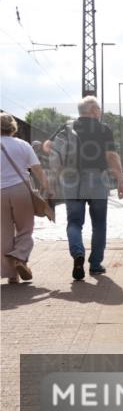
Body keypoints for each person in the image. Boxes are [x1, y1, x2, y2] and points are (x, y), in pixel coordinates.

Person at [44, 96, 123, 280]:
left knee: (74, 222)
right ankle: (95, 265)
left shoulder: (67, 127)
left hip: (71, 179)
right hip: (97, 179)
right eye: (99, 109)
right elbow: (111, 156)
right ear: (94, 111)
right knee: (99, 224)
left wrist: (63, 158)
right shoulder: (103, 129)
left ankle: (78, 253)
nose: (101, 112)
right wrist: (120, 180)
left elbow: (47, 146)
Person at [1, 113, 50, 283]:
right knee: (25, 229)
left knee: (4, 234)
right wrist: (47, 187)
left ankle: (11, 275)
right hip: (20, 190)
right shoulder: (23, 145)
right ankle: (20, 258)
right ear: (13, 127)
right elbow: (37, 169)